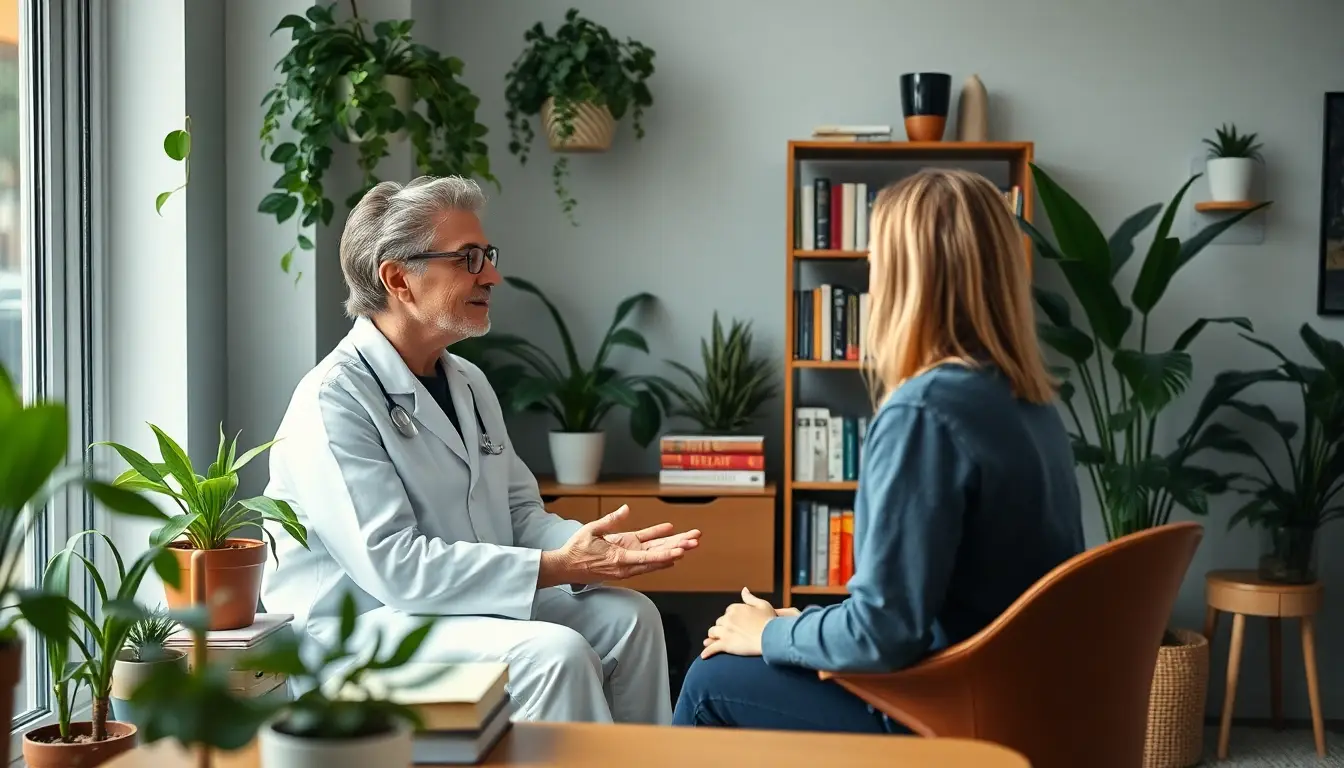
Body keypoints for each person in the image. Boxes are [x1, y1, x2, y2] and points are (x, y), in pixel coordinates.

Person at [259, 175, 700, 725]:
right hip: (365, 630)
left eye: (487, 255)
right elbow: (396, 568)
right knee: (554, 656)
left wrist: (593, 546)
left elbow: (517, 516)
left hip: (459, 608)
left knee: (631, 618)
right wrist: (557, 565)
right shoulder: (333, 400)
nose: (492, 275)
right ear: (398, 278)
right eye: (469, 259)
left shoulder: (467, 381)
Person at [671, 168, 1084, 731]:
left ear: (905, 280)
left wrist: (767, 633)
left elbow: (882, 636)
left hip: (944, 703)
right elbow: (923, 600)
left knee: (709, 680)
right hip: (1013, 691)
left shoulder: (924, 412)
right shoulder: (1029, 404)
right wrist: (804, 627)